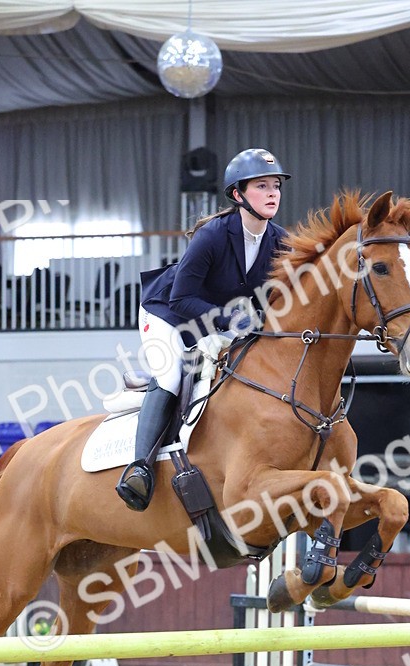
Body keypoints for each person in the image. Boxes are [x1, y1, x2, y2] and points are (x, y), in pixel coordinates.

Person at [115, 148, 290, 511]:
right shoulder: (212, 236)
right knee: (171, 376)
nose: (273, 193)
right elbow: (181, 299)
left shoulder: (279, 241)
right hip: (168, 314)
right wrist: (230, 321)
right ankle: (139, 469)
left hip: (215, 319)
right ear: (238, 194)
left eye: (275, 185)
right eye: (262, 186)